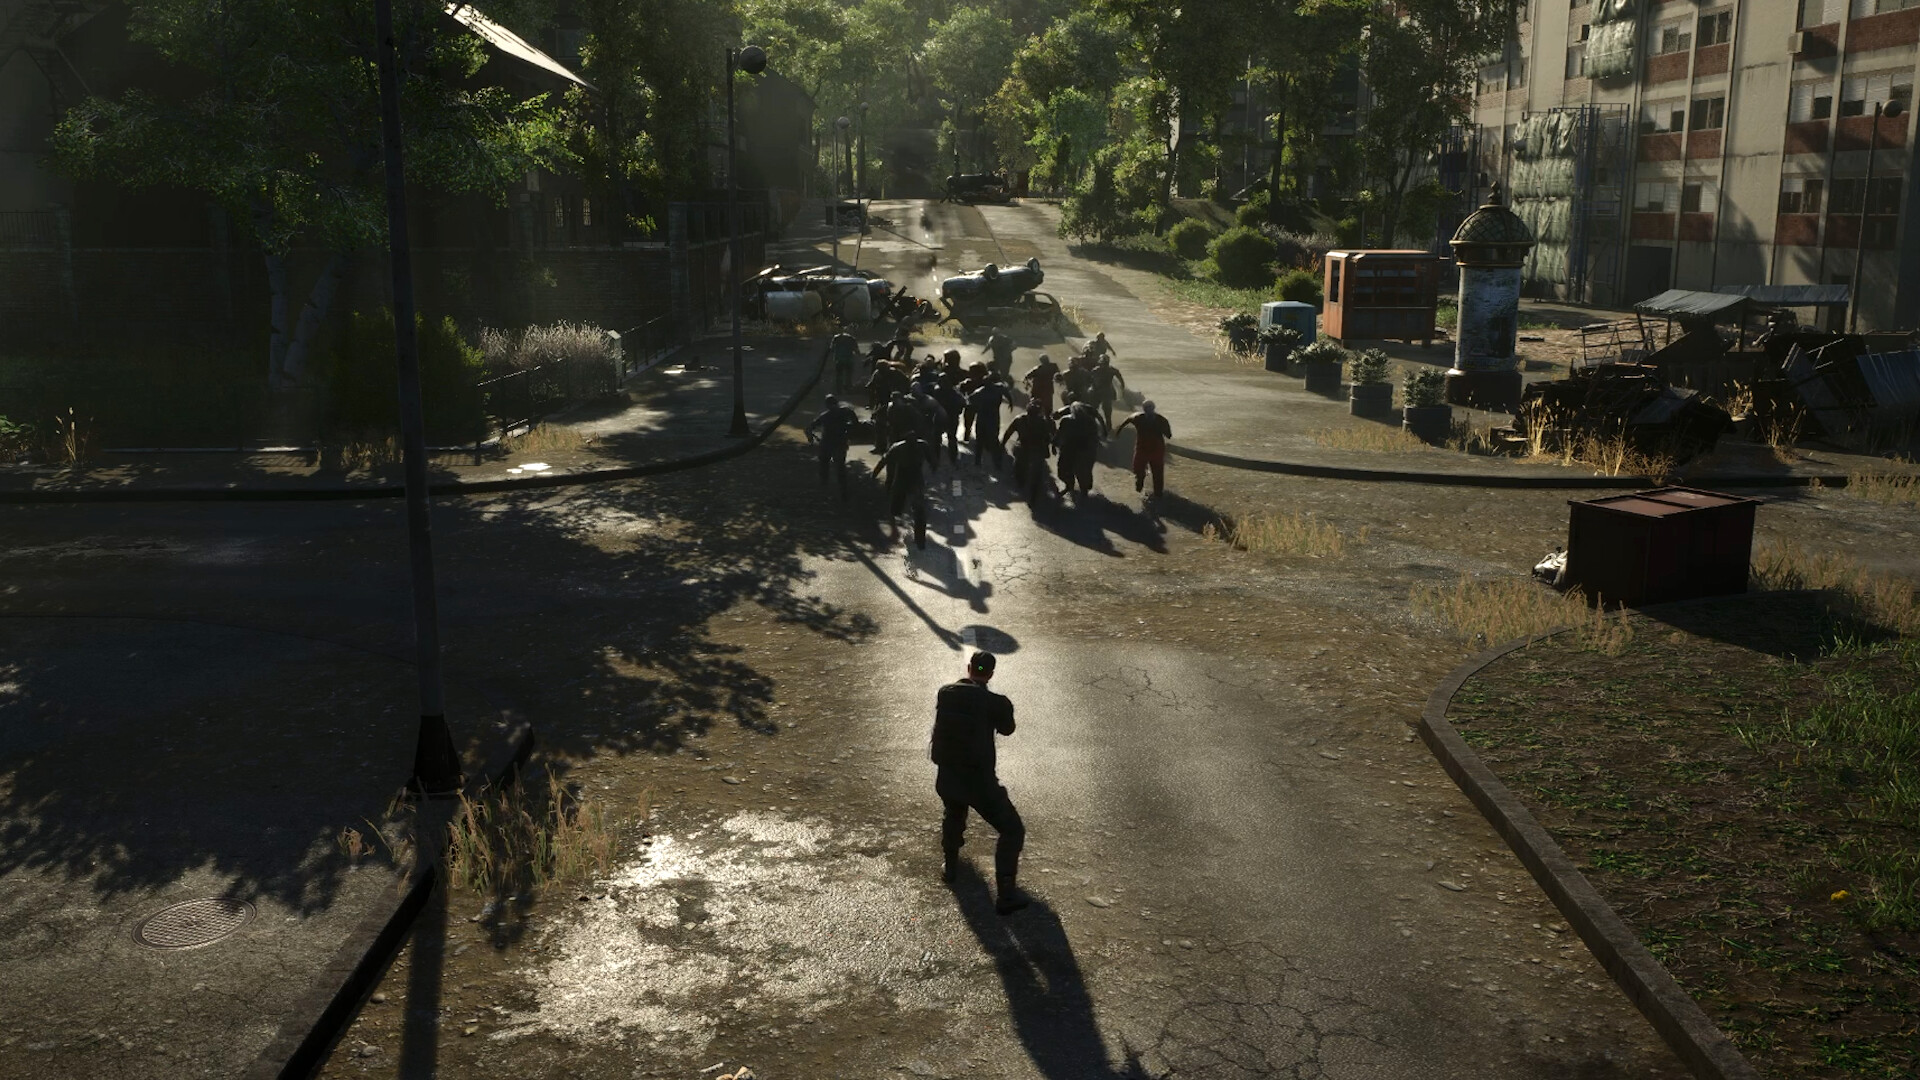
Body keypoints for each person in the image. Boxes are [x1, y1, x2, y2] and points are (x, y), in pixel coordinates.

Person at [931, 650, 1029, 915]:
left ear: (969, 667)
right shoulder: (997, 703)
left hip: (947, 776)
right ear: (991, 673)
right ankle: (1006, 894)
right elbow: (1007, 729)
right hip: (980, 783)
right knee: (1012, 830)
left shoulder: (946, 693)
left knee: (953, 813)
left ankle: (951, 868)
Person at [877, 431, 932, 548]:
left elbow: (884, 460)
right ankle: (903, 529)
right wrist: (875, 473)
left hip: (912, 478)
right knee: (899, 507)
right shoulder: (900, 447)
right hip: (905, 477)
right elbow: (885, 460)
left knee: (918, 509)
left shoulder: (920, 446)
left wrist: (875, 473)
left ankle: (919, 540)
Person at [1114, 399, 1173, 497]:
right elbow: (1169, 435)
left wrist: (1118, 431)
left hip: (1147, 448)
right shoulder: (1160, 419)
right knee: (1156, 472)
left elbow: (1127, 420)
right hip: (1153, 448)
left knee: (1142, 469)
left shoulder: (1139, 417)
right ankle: (1156, 493)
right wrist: (1119, 431)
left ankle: (1143, 483)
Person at [804, 393, 859, 500]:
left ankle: (825, 486)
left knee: (825, 465)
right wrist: (849, 431)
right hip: (839, 443)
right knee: (839, 467)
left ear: (827, 405)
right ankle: (842, 491)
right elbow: (855, 423)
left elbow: (809, 427)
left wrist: (811, 438)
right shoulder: (845, 411)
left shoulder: (825, 416)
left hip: (827, 443)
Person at [1001, 402, 1055, 503]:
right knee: (1029, 472)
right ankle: (1028, 488)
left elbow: (1008, 433)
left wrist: (1002, 444)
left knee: (1029, 471)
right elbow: (1049, 438)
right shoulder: (1041, 422)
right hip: (1031, 449)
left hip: (1028, 449)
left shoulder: (1020, 420)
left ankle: (1026, 488)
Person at [1053, 399, 1103, 496]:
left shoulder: (1085, 421)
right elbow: (1059, 433)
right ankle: (1072, 486)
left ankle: (1079, 488)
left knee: (1078, 472)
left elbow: (1059, 434)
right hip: (1074, 449)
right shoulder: (1069, 420)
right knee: (1066, 471)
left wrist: (1054, 444)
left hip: (1078, 449)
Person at [967, 374, 1012, 470]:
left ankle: (980, 462)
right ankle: (994, 463)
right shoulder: (996, 389)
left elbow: (970, 400)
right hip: (990, 418)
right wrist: (1010, 403)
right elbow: (1007, 394)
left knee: (982, 441)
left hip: (984, 418)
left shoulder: (981, 391)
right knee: (990, 441)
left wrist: (974, 407)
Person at [1088, 355, 1126, 433]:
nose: (1104, 366)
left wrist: (1122, 386)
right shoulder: (1098, 370)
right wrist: (1122, 386)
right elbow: (1090, 380)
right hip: (1100, 391)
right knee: (1096, 409)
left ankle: (1106, 426)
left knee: (1105, 410)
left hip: (1104, 391)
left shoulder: (1100, 370)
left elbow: (1120, 379)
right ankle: (1096, 425)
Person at [827, 326, 858, 392]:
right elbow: (856, 349)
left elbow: (831, 349)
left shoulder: (836, 338)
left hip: (839, 359)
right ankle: (848, 387)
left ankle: (839, 389)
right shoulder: (851, 338)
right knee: (848, 374)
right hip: (849, 359)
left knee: (839, 374)